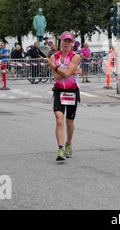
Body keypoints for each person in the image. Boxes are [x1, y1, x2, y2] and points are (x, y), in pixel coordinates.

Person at [48, 32, 82, 161]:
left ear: (72, 43)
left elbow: (66, 73)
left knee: (69, 122)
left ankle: (68, 143)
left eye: (69, 41)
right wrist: (72, 71)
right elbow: (57, 76)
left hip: (72, 91)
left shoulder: (75, 57)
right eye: (64, 41)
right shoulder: (54, 56)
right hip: (58, 91)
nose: (66, 43)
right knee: (59, 119)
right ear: (60, 42)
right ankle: (60, 148)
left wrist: (56, 67)